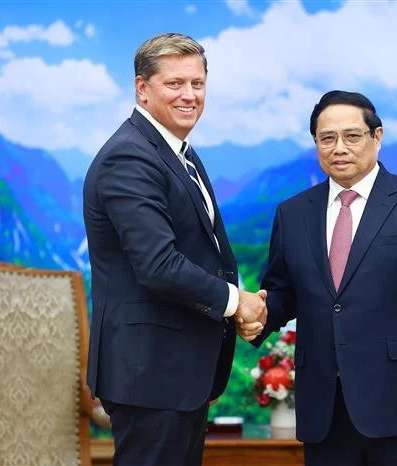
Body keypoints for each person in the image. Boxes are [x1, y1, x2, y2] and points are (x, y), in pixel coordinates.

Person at [238, 90, 397, 465]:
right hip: (325, 411)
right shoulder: (293, 213)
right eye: (327, 138)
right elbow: (283, 292)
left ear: (377, 137)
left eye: (352, 136)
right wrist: (257, 315)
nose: (339, 147)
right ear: (316, 143)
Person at [83, 33, 266, 466]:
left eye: (197, 84)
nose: (189, 95)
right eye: (175, 84)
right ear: (142, 89)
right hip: (150, 376)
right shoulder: (129, 157)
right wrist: (234, 302)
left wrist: (236, 307)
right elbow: (158, 265)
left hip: (175, 374)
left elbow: (207, 250)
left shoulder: (179, 152)